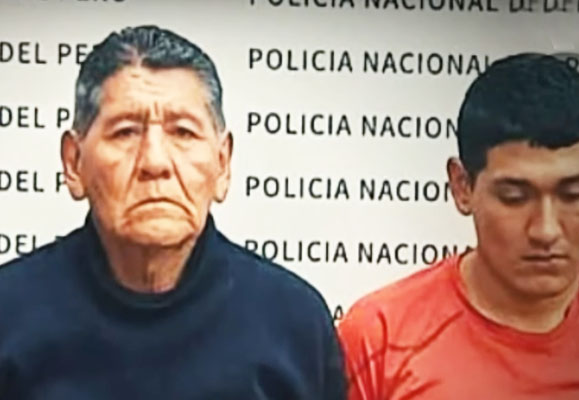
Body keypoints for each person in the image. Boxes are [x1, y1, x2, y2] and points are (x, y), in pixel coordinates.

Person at [0, 25, 346, 399]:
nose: (155, 162)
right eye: (125, 132)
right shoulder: (9, 312)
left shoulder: (293, 322)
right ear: (73, 162)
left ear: (222, 164)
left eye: (182, 133)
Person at [338, 53, 579, 400]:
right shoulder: (379, 341)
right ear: (462, 186)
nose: (546, 230)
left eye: (573, 194)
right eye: (514, 197)